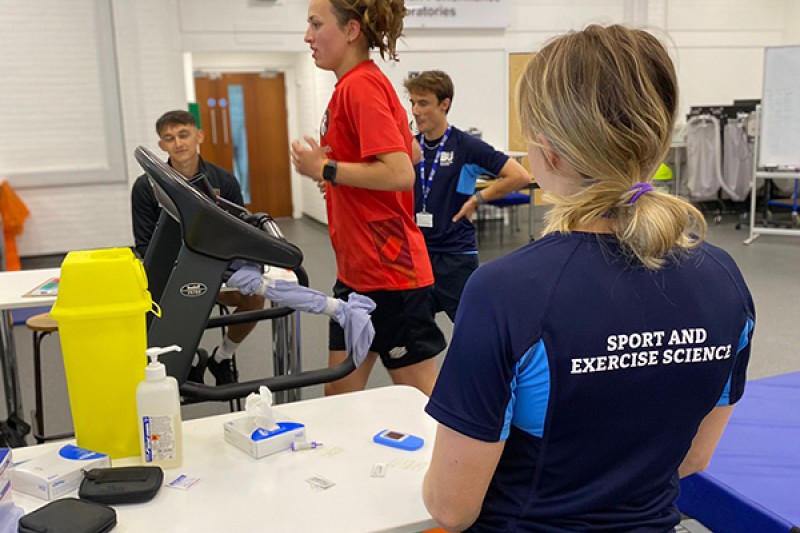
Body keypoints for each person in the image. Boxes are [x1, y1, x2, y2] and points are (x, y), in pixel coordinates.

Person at [422, 25, 755, 532]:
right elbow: (693, 460)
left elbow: (451, 506)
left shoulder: (507, 292)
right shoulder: (724, 281)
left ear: (548, 153)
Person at [291, 0, 445, 396]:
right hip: (356, 274)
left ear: (351, 30)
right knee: (338, 396)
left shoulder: (361, 86)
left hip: (390, 274)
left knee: (422, 402)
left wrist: (327, 169)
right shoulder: (360, 83)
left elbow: (400, 171)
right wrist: (345, 178)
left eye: (315, 24)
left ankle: (469, 458)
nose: (308, 36)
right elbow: (408, 150)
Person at [131, 110, 265, 385]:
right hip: (170, 278)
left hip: (217, 271)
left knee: (255, 298)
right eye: (169, 138)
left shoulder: (224, 181)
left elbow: (241, 233)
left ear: (198, 136)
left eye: (184, 135)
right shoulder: (145, 187)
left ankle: (222, 357)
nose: (178, 143)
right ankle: (188, 362)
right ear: (161, 145)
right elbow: (144, 245)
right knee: (169, 306)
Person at [404, 70, 531, 321]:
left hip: (455, 256)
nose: (416, 111)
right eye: (413, 103)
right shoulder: (411, 148)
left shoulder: (465, 146)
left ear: (444, 104)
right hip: (417, 254)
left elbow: (520, 176)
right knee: (413, 330)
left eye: (423, 103)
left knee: (470, 327)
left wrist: (477, 200)